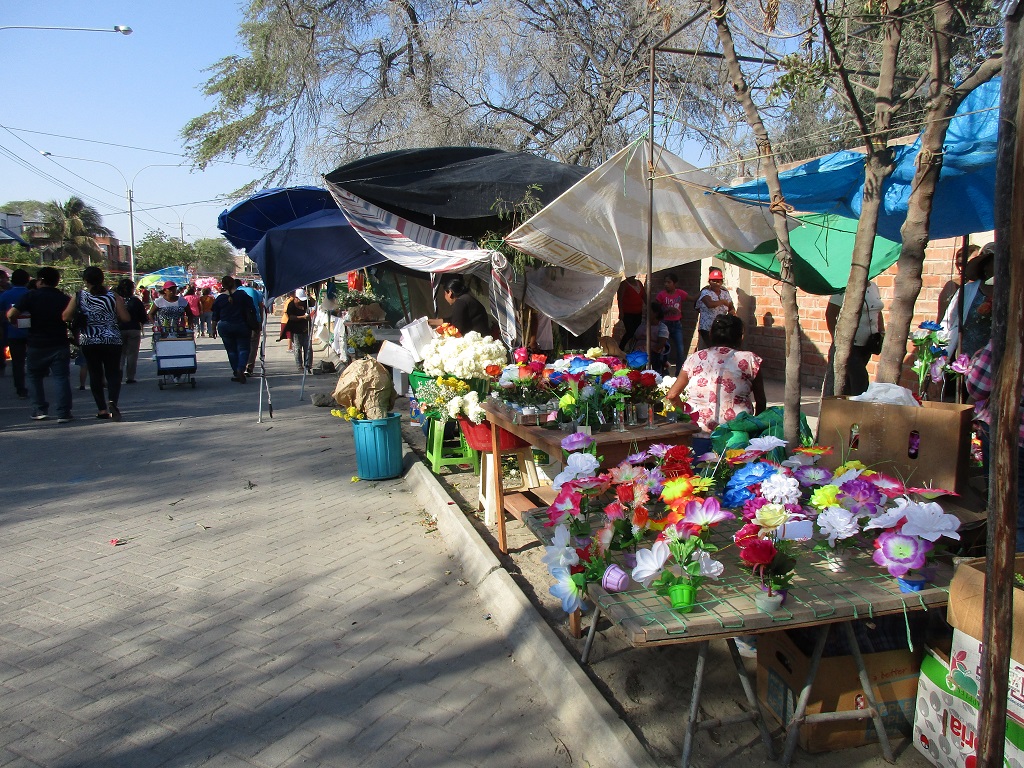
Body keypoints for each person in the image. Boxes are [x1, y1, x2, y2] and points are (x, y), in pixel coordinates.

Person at [665, 314, 765, 443]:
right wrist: (755, 431)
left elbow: (672, 395)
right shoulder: (749, 360)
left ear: (711, 334)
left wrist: (685, 415)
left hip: (697, 433)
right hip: (735, 434)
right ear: (740, 337)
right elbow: (761, 401)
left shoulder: (695, 358)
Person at [965, 339, 1024, 551]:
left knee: (1010, 512)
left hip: (1012, 433)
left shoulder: (1011, 327)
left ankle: (1016, 577)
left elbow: (978, 386)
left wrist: (977, 359)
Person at [6, 267, 73, 423]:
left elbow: (11, 314)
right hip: (59, 342)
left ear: (40, 280)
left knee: (35, 377)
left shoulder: (30, 296)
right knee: (61, 377)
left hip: (36, 343)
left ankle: (40, 409)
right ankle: (63, 413)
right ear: (56, 281)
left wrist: (17, 324)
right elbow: (70, 318)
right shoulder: (64, 298)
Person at [63, 267, 130, 420]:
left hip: (89, 340)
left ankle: (101, 409)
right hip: (112, 339)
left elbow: (65, 316)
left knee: (95, 374)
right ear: (102, 280)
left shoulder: (80, 295)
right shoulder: (113, 296)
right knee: (113, 373)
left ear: (85, 281)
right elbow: (126, 318)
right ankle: (113, 401)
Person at [825, 280, 884, 397]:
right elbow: (830, 314)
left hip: (868, 344)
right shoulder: (844, 288)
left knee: (849, 383)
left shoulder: (873, 287)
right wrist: (836, 338)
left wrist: (882, 331)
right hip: (849, 345)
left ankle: (847, 410)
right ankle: (860, 409)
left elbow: (877, 311)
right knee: (860, 380)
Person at [942, 243, 995, 360]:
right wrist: (937, 359)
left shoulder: (1011, 293)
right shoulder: (967, 291)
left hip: (997, 363)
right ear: (985, 266)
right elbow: (948, 324)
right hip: (965, 361)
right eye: (993, 261)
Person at [212, 275, 256, 383]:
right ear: (234, 283)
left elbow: (214, 316)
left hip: (225, 326)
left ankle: (236, 372)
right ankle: (241, 368)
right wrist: (255, 325)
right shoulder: (242, 295)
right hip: (242, 326)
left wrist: (213, 329)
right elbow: (252, 309)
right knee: (244, 349)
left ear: (222, 285)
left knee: (231, 351)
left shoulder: (220, 298)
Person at [0, 269, 31, 398]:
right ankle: (36, 384)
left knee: (17, 362)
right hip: (32, 333)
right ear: (27, 281)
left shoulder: (5, 295)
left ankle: (20, 388)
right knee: (34, 359)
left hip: (13, 332)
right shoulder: (31, 294)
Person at [655, 273, 688, 375]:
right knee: (665, 349)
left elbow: (691, 298)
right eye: (665, 282)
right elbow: (655, 309)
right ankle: (664, 371)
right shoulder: (661, 295)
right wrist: (666, 310)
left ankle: (679, 373)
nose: (666, 284)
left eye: (669, 282)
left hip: (677, 324)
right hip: (665, 324)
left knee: (680, 349)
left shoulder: (680, 293)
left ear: (675, 284)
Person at [696, 267, 735, 350]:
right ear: (709, 281)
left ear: (721, 282)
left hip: (720, 327)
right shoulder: (705, 292)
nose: (716, 283)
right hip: (707, 327)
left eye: (718, 281)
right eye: (713, 281)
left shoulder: (725, 293)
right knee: (713, 349)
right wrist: (722, 302)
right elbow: (709, 304)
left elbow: (731, 307)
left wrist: (731, 313)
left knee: (720, 349)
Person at [117, 278, 147, 384]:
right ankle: (130, 377)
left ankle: (118, 375)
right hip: (134, 329)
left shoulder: (116, 300)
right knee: (132, 354)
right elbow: (143, 317)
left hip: (118, 329)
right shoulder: (136, 301)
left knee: (120, 354)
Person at [237, 280, 265, 376]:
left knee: (241, 344)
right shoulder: (257, 292)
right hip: (254, 321)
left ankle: (240, 366)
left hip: (239, 322)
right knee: (253, 345)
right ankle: (249, 368)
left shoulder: (235, 292)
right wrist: (261, 321)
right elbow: (261, 307)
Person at [632, 303, 670, 374]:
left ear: (656, 313)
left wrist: (646, 352)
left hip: (653, 354)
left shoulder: (662, 327)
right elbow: (635, 337)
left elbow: (660, 345)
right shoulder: (643, 324)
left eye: (648, 311)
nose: (646, 313)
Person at [286, 288, 313, 373]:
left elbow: (314, 303)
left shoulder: (305, 303)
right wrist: (303, 317)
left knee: (307, 348)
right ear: (295, 298)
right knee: (297, 348)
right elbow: (291, 317)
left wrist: (309, 296)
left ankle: (308, 364)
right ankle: (299, 365)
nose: (301, 301)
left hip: (306, 328)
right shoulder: (291, 305)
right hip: (296, 329)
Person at [616, 276, 646, 350]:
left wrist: (650, 307)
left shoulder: (639, 283)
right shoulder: (624, 284)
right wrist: (621, 312)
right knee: (630, 332)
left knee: (637, 332)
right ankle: (621, 348)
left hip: (638, 312)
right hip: (627, 313)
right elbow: (620, 298)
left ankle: (633, 348)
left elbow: (644, 296)